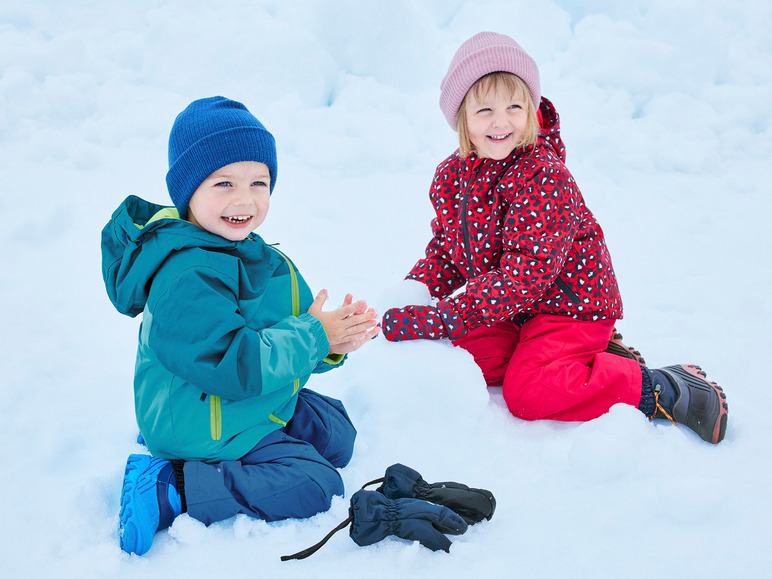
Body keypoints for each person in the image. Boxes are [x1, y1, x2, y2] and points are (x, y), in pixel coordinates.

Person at [381, 32, 728, 444]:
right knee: (461, 355)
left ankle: (660, 386)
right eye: (485, 109)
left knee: (527, 393)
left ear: (531, 108)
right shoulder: (452, 175)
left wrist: (440, 317)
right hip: (514, 310)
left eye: (514, 106)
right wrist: (411, 295)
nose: (501, 121)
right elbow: (446, 252)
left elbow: (524, 276)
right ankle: (580, 363)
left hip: (571, 307)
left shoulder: (543, 176)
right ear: (461, 118)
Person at [102, 96, 380, 556]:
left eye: (259, 182)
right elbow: (233, 362)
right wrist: (314, 337)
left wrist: (333, 337)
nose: (244, 199)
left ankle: (237, 450)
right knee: (316, 482)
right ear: (188, 191)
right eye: (224, 183)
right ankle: (172, 486)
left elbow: (292, 325)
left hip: (226, 397)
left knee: (336, 434)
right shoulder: (187, 276)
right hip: (200, 414)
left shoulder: (252, 254)